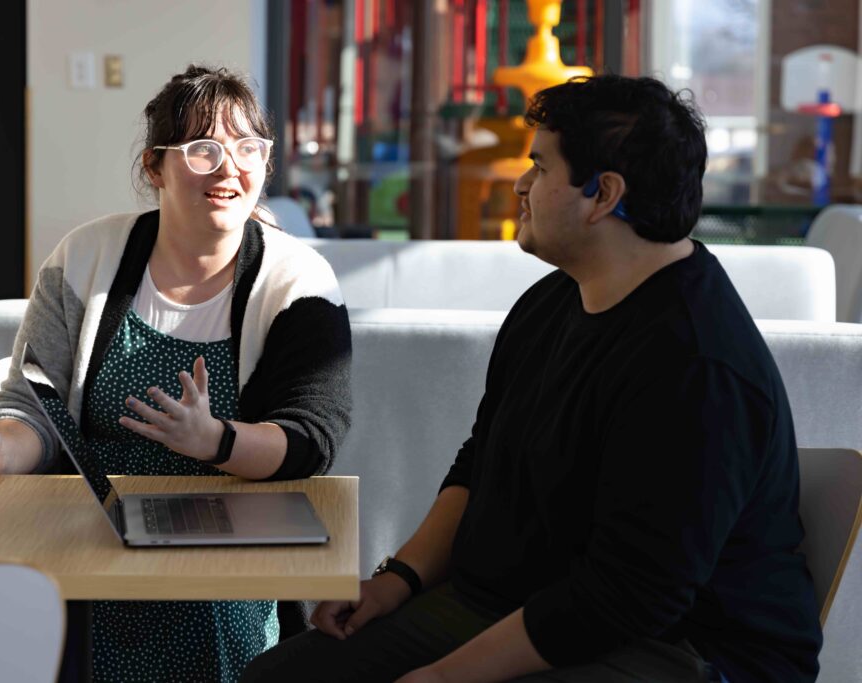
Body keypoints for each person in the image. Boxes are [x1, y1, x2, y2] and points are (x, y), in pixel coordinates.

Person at [242, 75, 823, 683]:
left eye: (540, 168)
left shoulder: (696, 367)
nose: (521, 185)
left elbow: (625, 598)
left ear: (603, 195)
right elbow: (480, 460)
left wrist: (443, 677)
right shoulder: (552, 300)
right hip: (521, 604)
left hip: (680, 648)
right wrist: (398, 581)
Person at [0, 64, 352, 682]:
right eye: (202, 149)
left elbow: (310, 440)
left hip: (228, 560)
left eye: (247, 148)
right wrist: (2, 449)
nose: (228, 168)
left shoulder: (298, 282)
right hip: (89, 543)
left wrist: (216, 441)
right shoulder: (86, 258)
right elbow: (36, 407)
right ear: (154, 167)